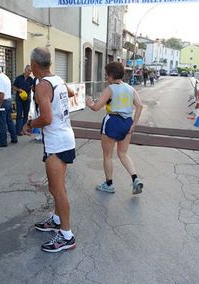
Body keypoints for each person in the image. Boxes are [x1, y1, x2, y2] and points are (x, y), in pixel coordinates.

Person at [23, 47, 76, 253]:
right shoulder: (58, 80)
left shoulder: (43, 86)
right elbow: (71, 93)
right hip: (64, 138)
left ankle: (66, 235)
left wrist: (29, 124)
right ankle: (56, 220)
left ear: (35, 65)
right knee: (58, 186)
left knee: (57, 189)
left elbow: (46, 118)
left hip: (57, 142)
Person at [86, 62, 144, 195]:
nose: (106, 77)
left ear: (112, 75)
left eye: (107, 75)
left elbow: (96, 108)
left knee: (107, 156)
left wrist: (89, 103)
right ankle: (135, 178)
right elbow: (140, 106)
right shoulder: (130, 88)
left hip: (112, 121)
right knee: (123, 154)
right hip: (127, 122)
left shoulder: (110, 89)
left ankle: (109, 184)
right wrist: (134, 124)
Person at [0, 65, 17, 147]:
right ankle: (14, 138)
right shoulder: (5, 77)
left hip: (2, 102)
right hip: (8, 101)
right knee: (9, 121)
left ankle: (3, 141)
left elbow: (1, 94)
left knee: (2, 122)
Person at [13, 65, 34, 135]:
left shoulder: (31, 80)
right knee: (19, 114)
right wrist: (18, 90)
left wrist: (32, 88)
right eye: (28, 70)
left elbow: (34, 88)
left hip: (27, 99)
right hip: (19, 99)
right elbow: (13, 86)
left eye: (30, 71)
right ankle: (18, 130)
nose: (29, 72)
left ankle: (24, 130)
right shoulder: (19, 78)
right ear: (25, 70)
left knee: (25, 115)